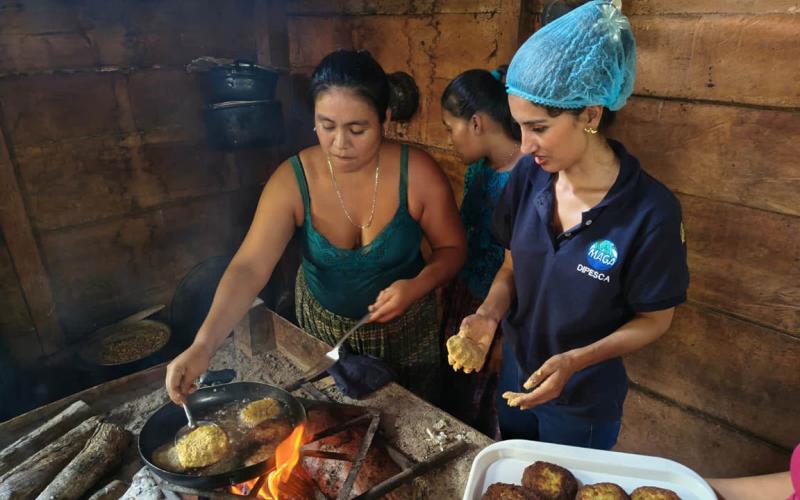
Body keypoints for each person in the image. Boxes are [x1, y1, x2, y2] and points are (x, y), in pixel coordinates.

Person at [447, 0, 689, 450]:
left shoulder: (650, 212)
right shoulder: (527, 177)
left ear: (590, 115)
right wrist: (488, 314)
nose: (524, 145)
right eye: (519, 127)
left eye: (537, 127)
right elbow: (510, 267)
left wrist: (577, 361)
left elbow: (654, 319)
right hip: (518, 372)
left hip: (583, 398)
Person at [166, 49, 466, 404]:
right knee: (333, 424)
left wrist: (418, 285)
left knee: (414, 422)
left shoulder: (417, 174)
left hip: (406, 336)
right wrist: (204, 344)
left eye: (358, 129)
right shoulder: (293, 181)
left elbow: (453, 250)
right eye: (327, 126)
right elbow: (249, 266)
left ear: (384, 118)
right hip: (322, 333)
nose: (340, 144)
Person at [439, 67, 523, 436]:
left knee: (490, 402)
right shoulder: (477, 170)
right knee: (454, 388)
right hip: (464, 298)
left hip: (504, 309)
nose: (449, 139)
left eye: (449, 127)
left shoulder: (531, 177)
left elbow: (521, 265)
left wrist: (500, 325)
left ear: (475, 123)